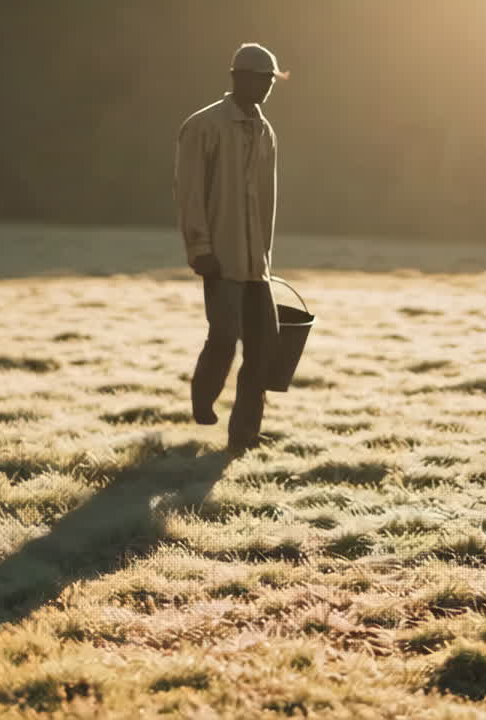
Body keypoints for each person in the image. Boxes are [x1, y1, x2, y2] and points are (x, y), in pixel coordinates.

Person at [174, 43, 288, 454]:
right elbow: (189, 193)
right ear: (238, 77)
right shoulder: (202, 126)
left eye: (271, 81)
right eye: (262, 79)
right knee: (224, 337)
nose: (267, 87)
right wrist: (199, 247)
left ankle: (244, 437)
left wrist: (265, 259)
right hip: (218, 258)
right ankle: (203, 399)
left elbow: (267, 201)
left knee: (265, 347)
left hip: (256, 264)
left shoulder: (266, 131)